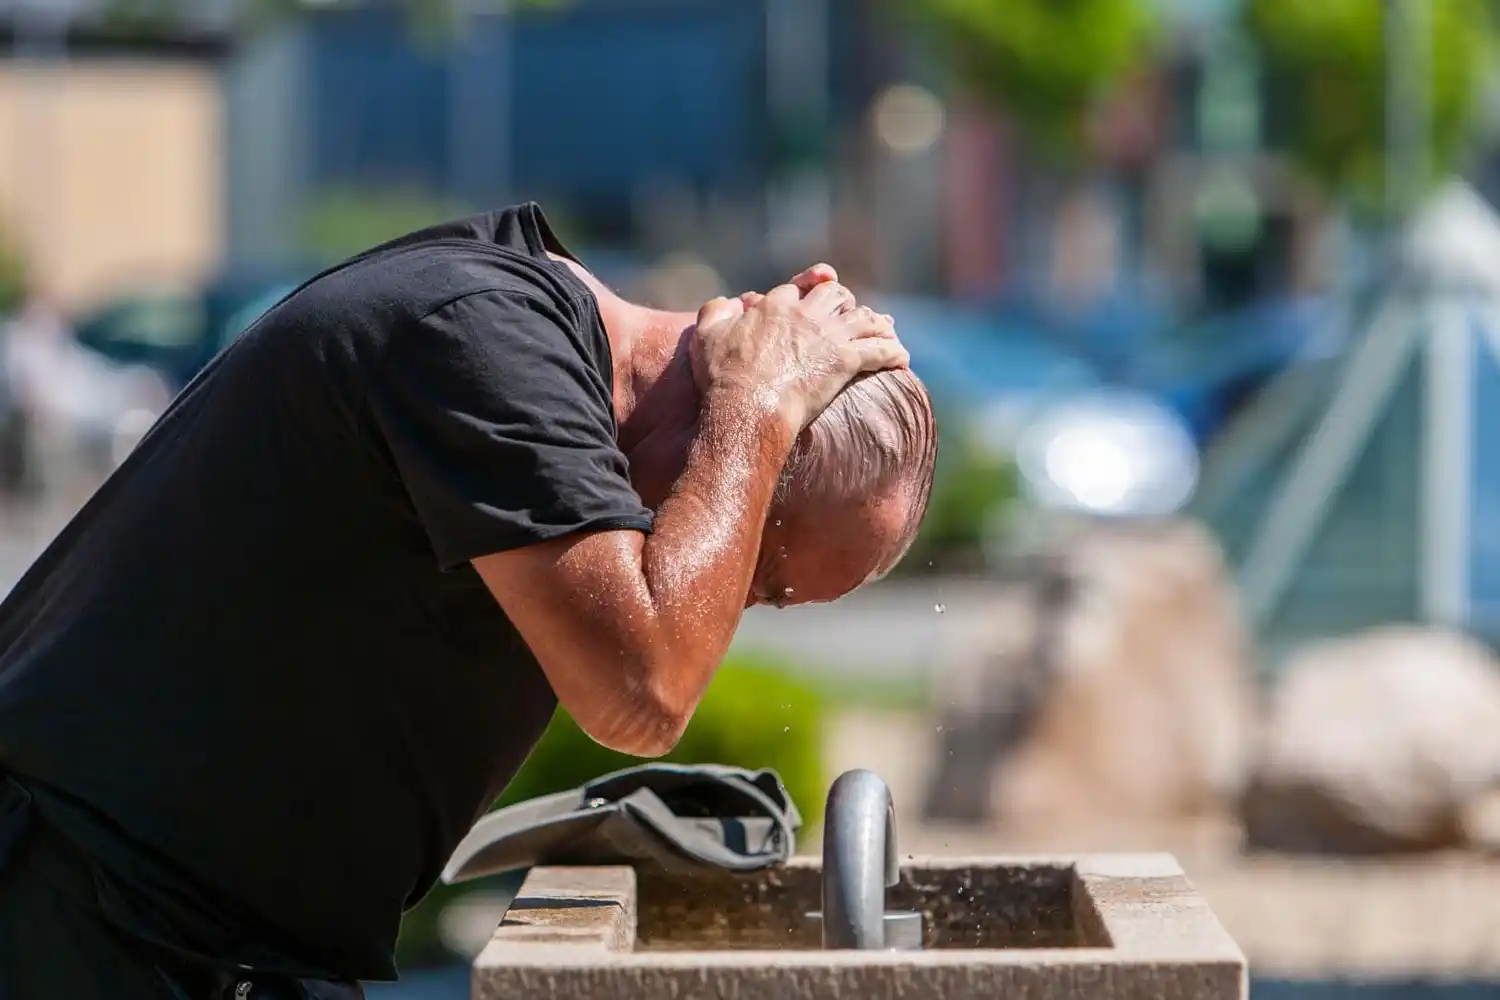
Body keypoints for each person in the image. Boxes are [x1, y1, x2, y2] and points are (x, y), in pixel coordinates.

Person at [0, 203, 937, 998]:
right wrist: (756, 413)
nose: (726, 602)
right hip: (83, 909)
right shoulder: (483, 337)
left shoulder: (520, 355)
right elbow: (643, 690)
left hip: (180, 931)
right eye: (760, 574)